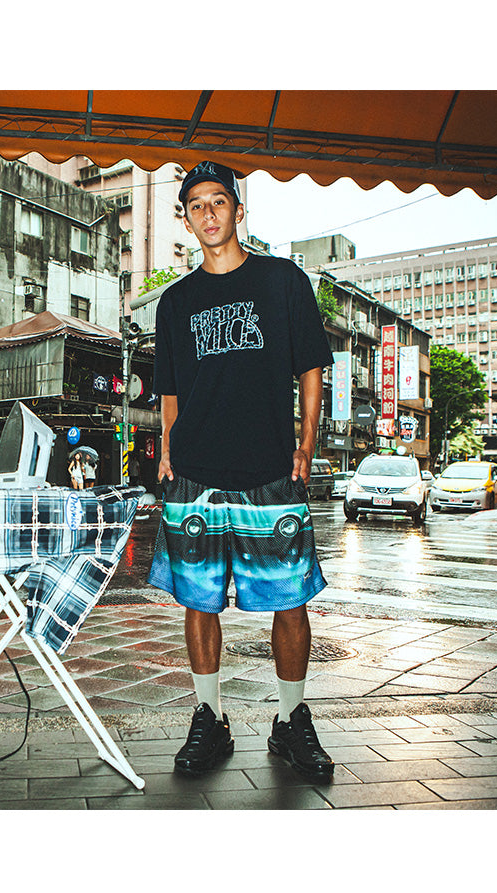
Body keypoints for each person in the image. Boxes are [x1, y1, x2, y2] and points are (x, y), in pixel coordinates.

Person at [147, 161, 335, 781]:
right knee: (198, 599)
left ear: (238, 210)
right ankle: (211, 718)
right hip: (195, 469)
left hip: (270, 466)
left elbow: (311, 366)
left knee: (291, 598)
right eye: (196, 205)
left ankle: (291, 719)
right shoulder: (176, 302)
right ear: (187, 219)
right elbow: (170, 389)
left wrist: (307, 442)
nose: (208, 213)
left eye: (219, 201)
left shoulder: (282, 281)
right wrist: (167, 448)